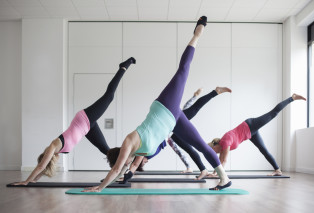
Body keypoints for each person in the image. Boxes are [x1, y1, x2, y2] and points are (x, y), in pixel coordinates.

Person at [83, 16, 232, 192]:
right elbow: (120, 170)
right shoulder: (135, 154)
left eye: (124, 161)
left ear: (122, 155)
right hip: (172, 120)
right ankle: (224, 179)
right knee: (200, 144)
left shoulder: (129, 143)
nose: (127, 163)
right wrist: (118, 177)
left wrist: (99, 188)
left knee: (182, 71)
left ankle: (197, 34)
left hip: (164, 107)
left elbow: (116, 169)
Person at [13, 57, 136, 185]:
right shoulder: (57, 150)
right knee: (108, 152)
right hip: (87, 128)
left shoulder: (53, 146)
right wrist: (33, 180)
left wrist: (26, 181)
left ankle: (123, 67)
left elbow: (40, 167)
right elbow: (42, 170)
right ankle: (120, 173)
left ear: (46, 158)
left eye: (47, 161)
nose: (54, 162)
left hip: (84, 119)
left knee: (109, 96)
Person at [126, 86, 232, 182]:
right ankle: (203, 169)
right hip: (172, 131)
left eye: (143, 163)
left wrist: (129, 170)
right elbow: (175, 150)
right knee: (189, 147)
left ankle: (215, 92)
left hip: (170, 122)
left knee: (193, 109)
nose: (146, 163)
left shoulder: (145, 152)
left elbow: (135, 162)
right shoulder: (148, 154)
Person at [208, 94, 306, 176]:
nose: (214, 153)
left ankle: (292, 98)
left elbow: (223, 161)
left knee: (273, 114)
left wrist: (217, 175)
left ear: (215, 145)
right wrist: (213, 173)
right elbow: (220, 162)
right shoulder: (222, 148)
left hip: (250, 125)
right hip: (250, 134)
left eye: (212, 151)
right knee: (263, 150)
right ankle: (277, 170)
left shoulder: (225, 142)